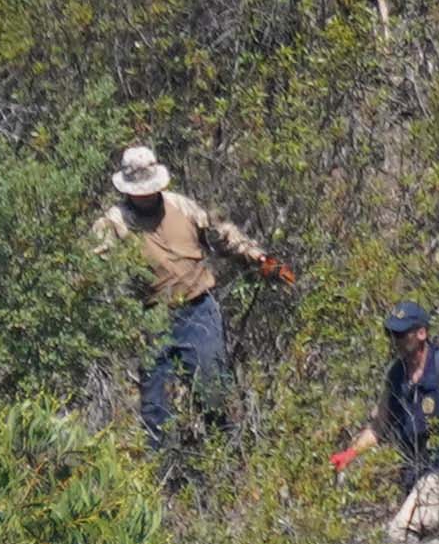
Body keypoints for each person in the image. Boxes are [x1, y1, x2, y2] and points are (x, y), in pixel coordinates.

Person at [87, 143, 290, 454]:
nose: (145, 194)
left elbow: (222, 234)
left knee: (214, 393)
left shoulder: (181, 206)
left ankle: (225, 464)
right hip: (151, 321)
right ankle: (161, 483)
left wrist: (258, 258)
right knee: (156, 410)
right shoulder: (113, 224)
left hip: (198, 311)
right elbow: (91, 269)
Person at [331, 303, 439, 544]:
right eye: (392, 334)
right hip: (415, 474)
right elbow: (379, 427)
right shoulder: (396, 375)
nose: (395, 340)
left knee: (399, 534)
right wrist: (350, 453)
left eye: (401, 334)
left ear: (421, 333)